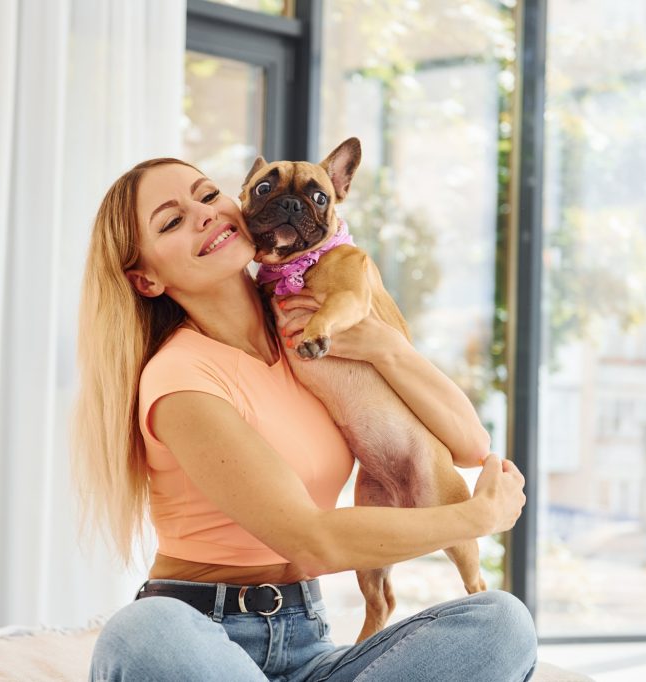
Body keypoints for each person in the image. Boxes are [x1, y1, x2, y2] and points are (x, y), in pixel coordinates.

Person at [71, 157, 537, 682]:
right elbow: (312, 542)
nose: (202, 214)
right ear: (146, 278)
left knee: (503, 623)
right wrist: (478, 517)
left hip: (310, 645)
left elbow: (470, 445)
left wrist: (385, 347)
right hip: (200, 638)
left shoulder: (311, 333)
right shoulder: (181, 378)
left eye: (206, 195)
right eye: (172, 221)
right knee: (144, 631)